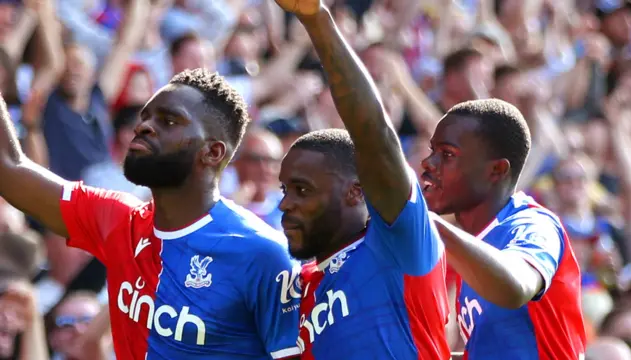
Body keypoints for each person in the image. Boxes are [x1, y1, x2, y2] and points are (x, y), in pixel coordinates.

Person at [0, 68, 301, 359]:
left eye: (169, 121)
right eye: (146, 116)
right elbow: (10, 169)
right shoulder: (118, 219)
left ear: (213, 152)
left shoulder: (262, 254)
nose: (144, 126)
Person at [274, 0, 450, 359]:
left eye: (302, 190)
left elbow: (375, 134)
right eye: (285, 190)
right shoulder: (300, 288)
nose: (285, 203)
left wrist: (317, 21)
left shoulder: (399, 243)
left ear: (357, 190)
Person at [421, 99, 586, 359]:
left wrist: (420, 219)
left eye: (447, 154)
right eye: (432, 151)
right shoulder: (475, 243)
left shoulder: (533, 225)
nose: (428, 163)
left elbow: (515, 287)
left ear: (496, 170)